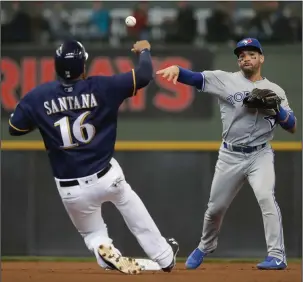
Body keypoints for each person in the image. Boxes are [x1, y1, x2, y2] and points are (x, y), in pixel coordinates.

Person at [9, 39, 179, 274]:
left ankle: (103, 247)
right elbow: (144, 75)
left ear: (56, 67)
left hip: (71, 189)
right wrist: (145, 50)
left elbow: (14, 128)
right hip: (106, 176)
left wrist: (43, 116)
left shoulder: (38, 96)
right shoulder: (102, 87)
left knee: (92, 233)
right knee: (127, 200)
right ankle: (164, 256)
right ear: (83, 67)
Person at [156, 38, 296, 270]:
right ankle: (205, 245)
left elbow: (292, 126)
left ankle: (276, 255)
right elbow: (196, 78)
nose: (245, 58)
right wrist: (177, 70)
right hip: (230, 154)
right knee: (215, 209)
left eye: (251, 54)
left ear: (261, 58)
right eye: (241, 55)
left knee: (266, 198)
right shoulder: (225, 80)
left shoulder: (276, 91)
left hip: (260, 154)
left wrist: (277, 108)